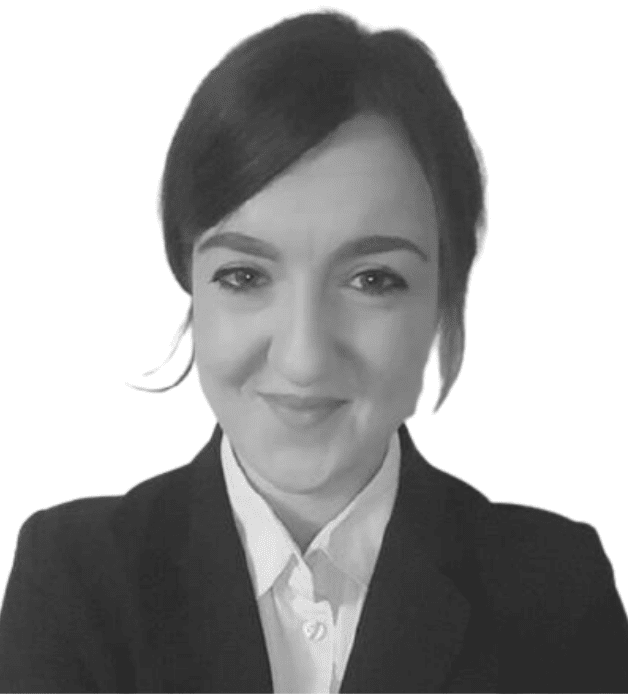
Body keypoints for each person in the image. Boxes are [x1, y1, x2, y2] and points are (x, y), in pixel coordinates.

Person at [1, 9, 627, 693]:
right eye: (244, 276)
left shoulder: (554, 592)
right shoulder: (75, 582)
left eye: (373, 280)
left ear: (444, 297)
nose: (303, 358)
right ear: (191, 284)